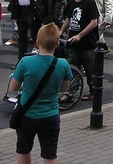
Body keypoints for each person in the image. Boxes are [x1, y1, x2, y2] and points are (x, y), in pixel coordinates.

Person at [9, 22, 72, 164]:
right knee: (50, 155)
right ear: (57, 44)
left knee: (23, 150)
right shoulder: (63, 64)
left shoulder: (26, 62)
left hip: (27, 115)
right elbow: (63, 89)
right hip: (50, 115)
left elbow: (13, 87)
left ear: (37, 43)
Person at [60, 0, 99, 101]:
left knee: (90, 69)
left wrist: (80, 36)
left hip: (88, 44)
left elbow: (94, 22)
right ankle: (70, 91)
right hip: (73, 43)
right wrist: (60, 32)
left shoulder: (89, 2)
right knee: (72, 67)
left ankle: (94, 90)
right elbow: (68, 18)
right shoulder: (71, 2)